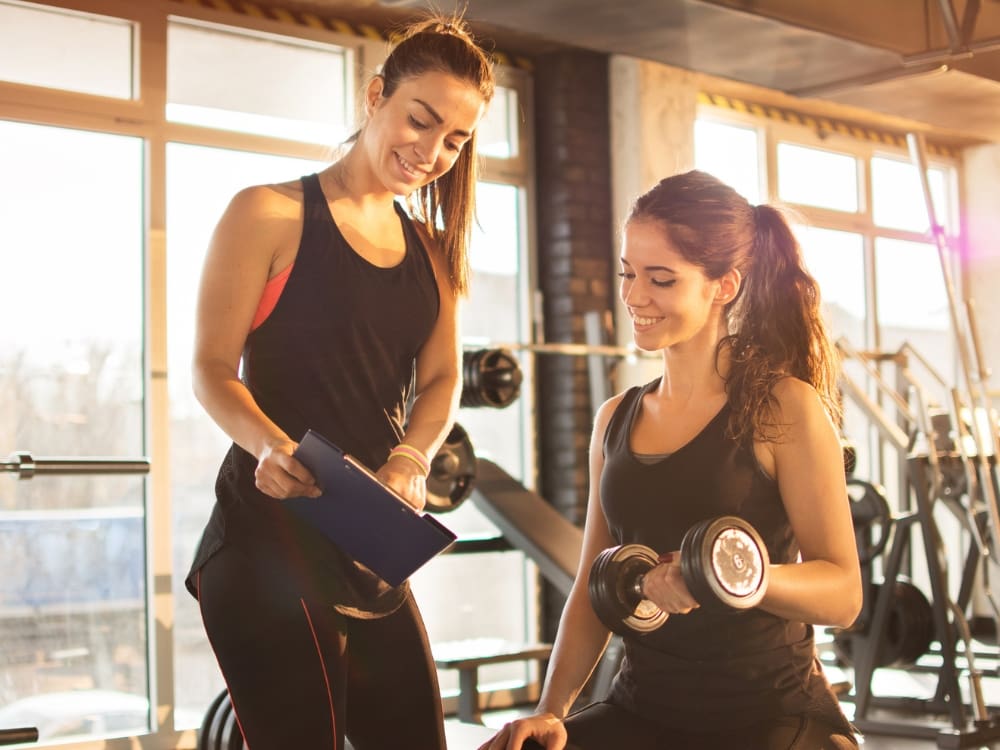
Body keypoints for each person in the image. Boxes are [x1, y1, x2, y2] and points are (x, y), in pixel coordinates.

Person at [184, 14, 495, 750]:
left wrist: (412, 458)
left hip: (366, 541)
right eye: (420, 121)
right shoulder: (268, 213)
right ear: (374, 95)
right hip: (265, 537)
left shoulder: (433, 252)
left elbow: (443, 378)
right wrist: (266, 446)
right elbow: (208, 369)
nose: (432, 152)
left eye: (455, 140)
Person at [480, 170, 863, 750]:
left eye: (660, 279)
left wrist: (724, 576)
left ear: (724, 286)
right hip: (645, 710)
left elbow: (842, 592)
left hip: (767, 715)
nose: (634, 296)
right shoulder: (615, 419)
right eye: (628, 274)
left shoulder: (781, 407)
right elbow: (591, 584)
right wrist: (551, 710)